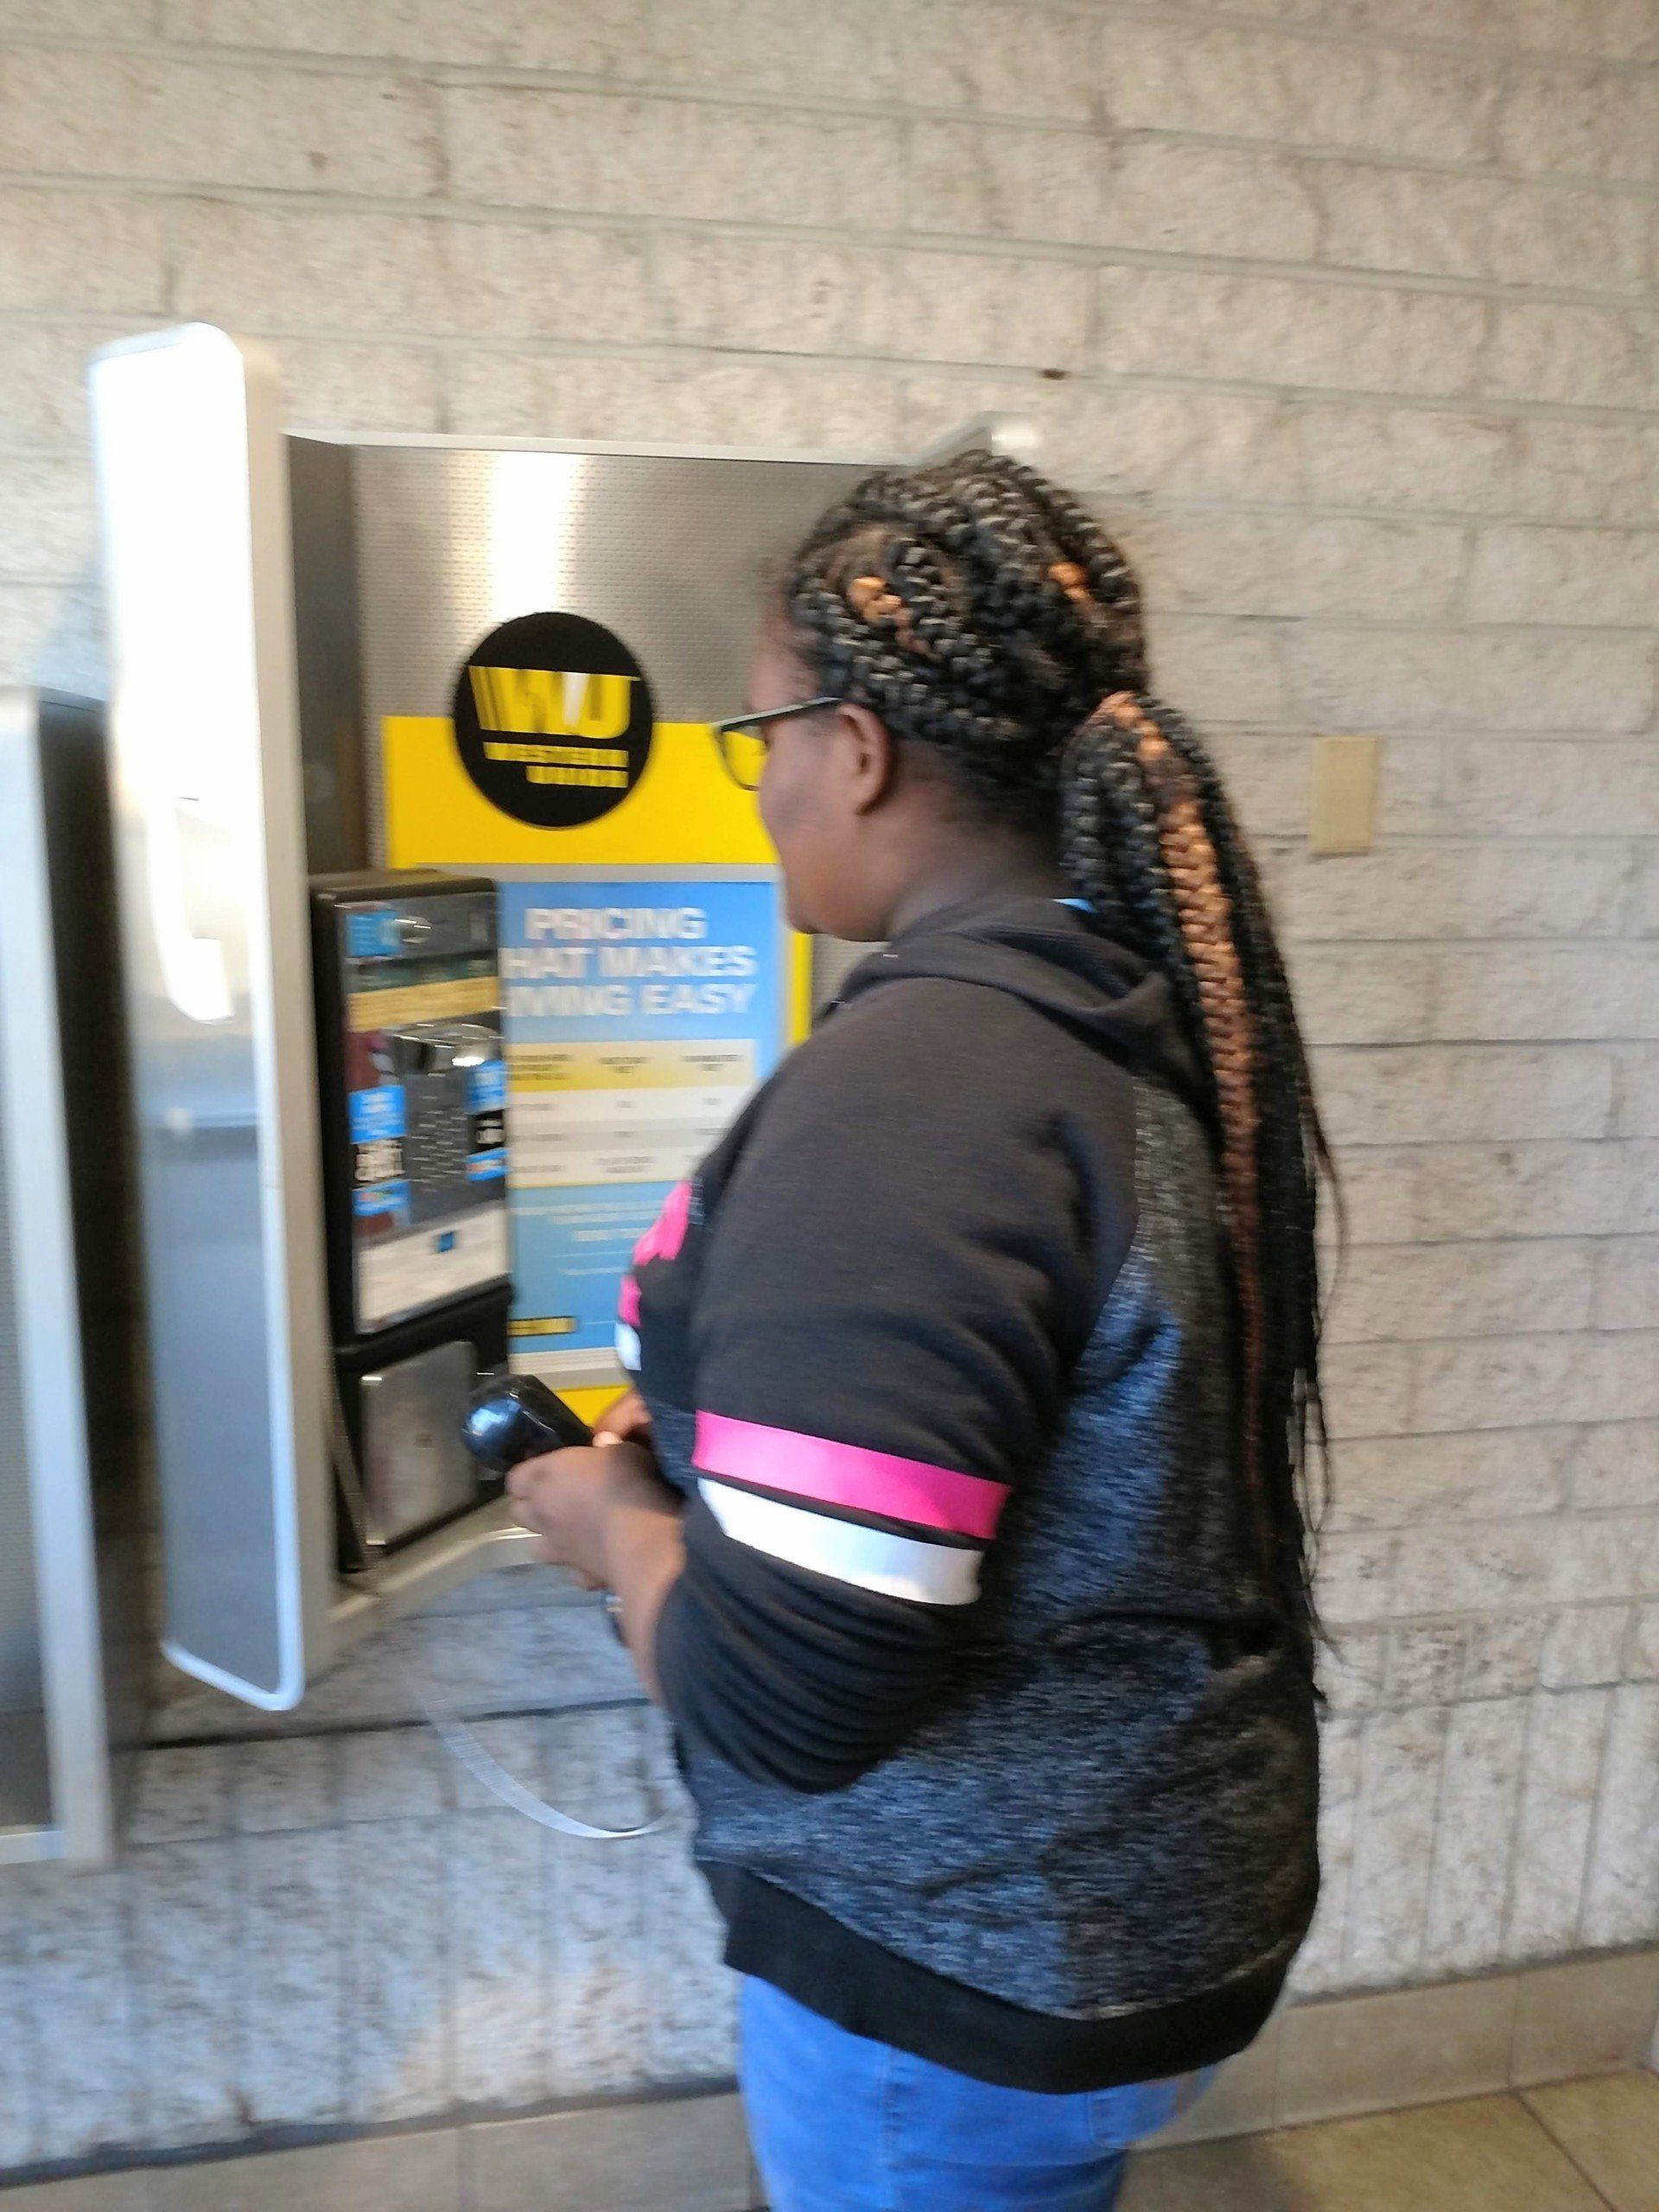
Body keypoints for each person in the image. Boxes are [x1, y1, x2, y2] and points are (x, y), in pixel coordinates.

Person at [507, 453, 1332, 2212]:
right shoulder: (1087, 1026)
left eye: (761, 738)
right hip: (1127, 1894)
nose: (761, 790)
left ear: (860, 747)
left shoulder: (919, 1095)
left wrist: (614, 1524)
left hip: (962, 1956)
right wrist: (719, 1445)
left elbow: (791, 1694)